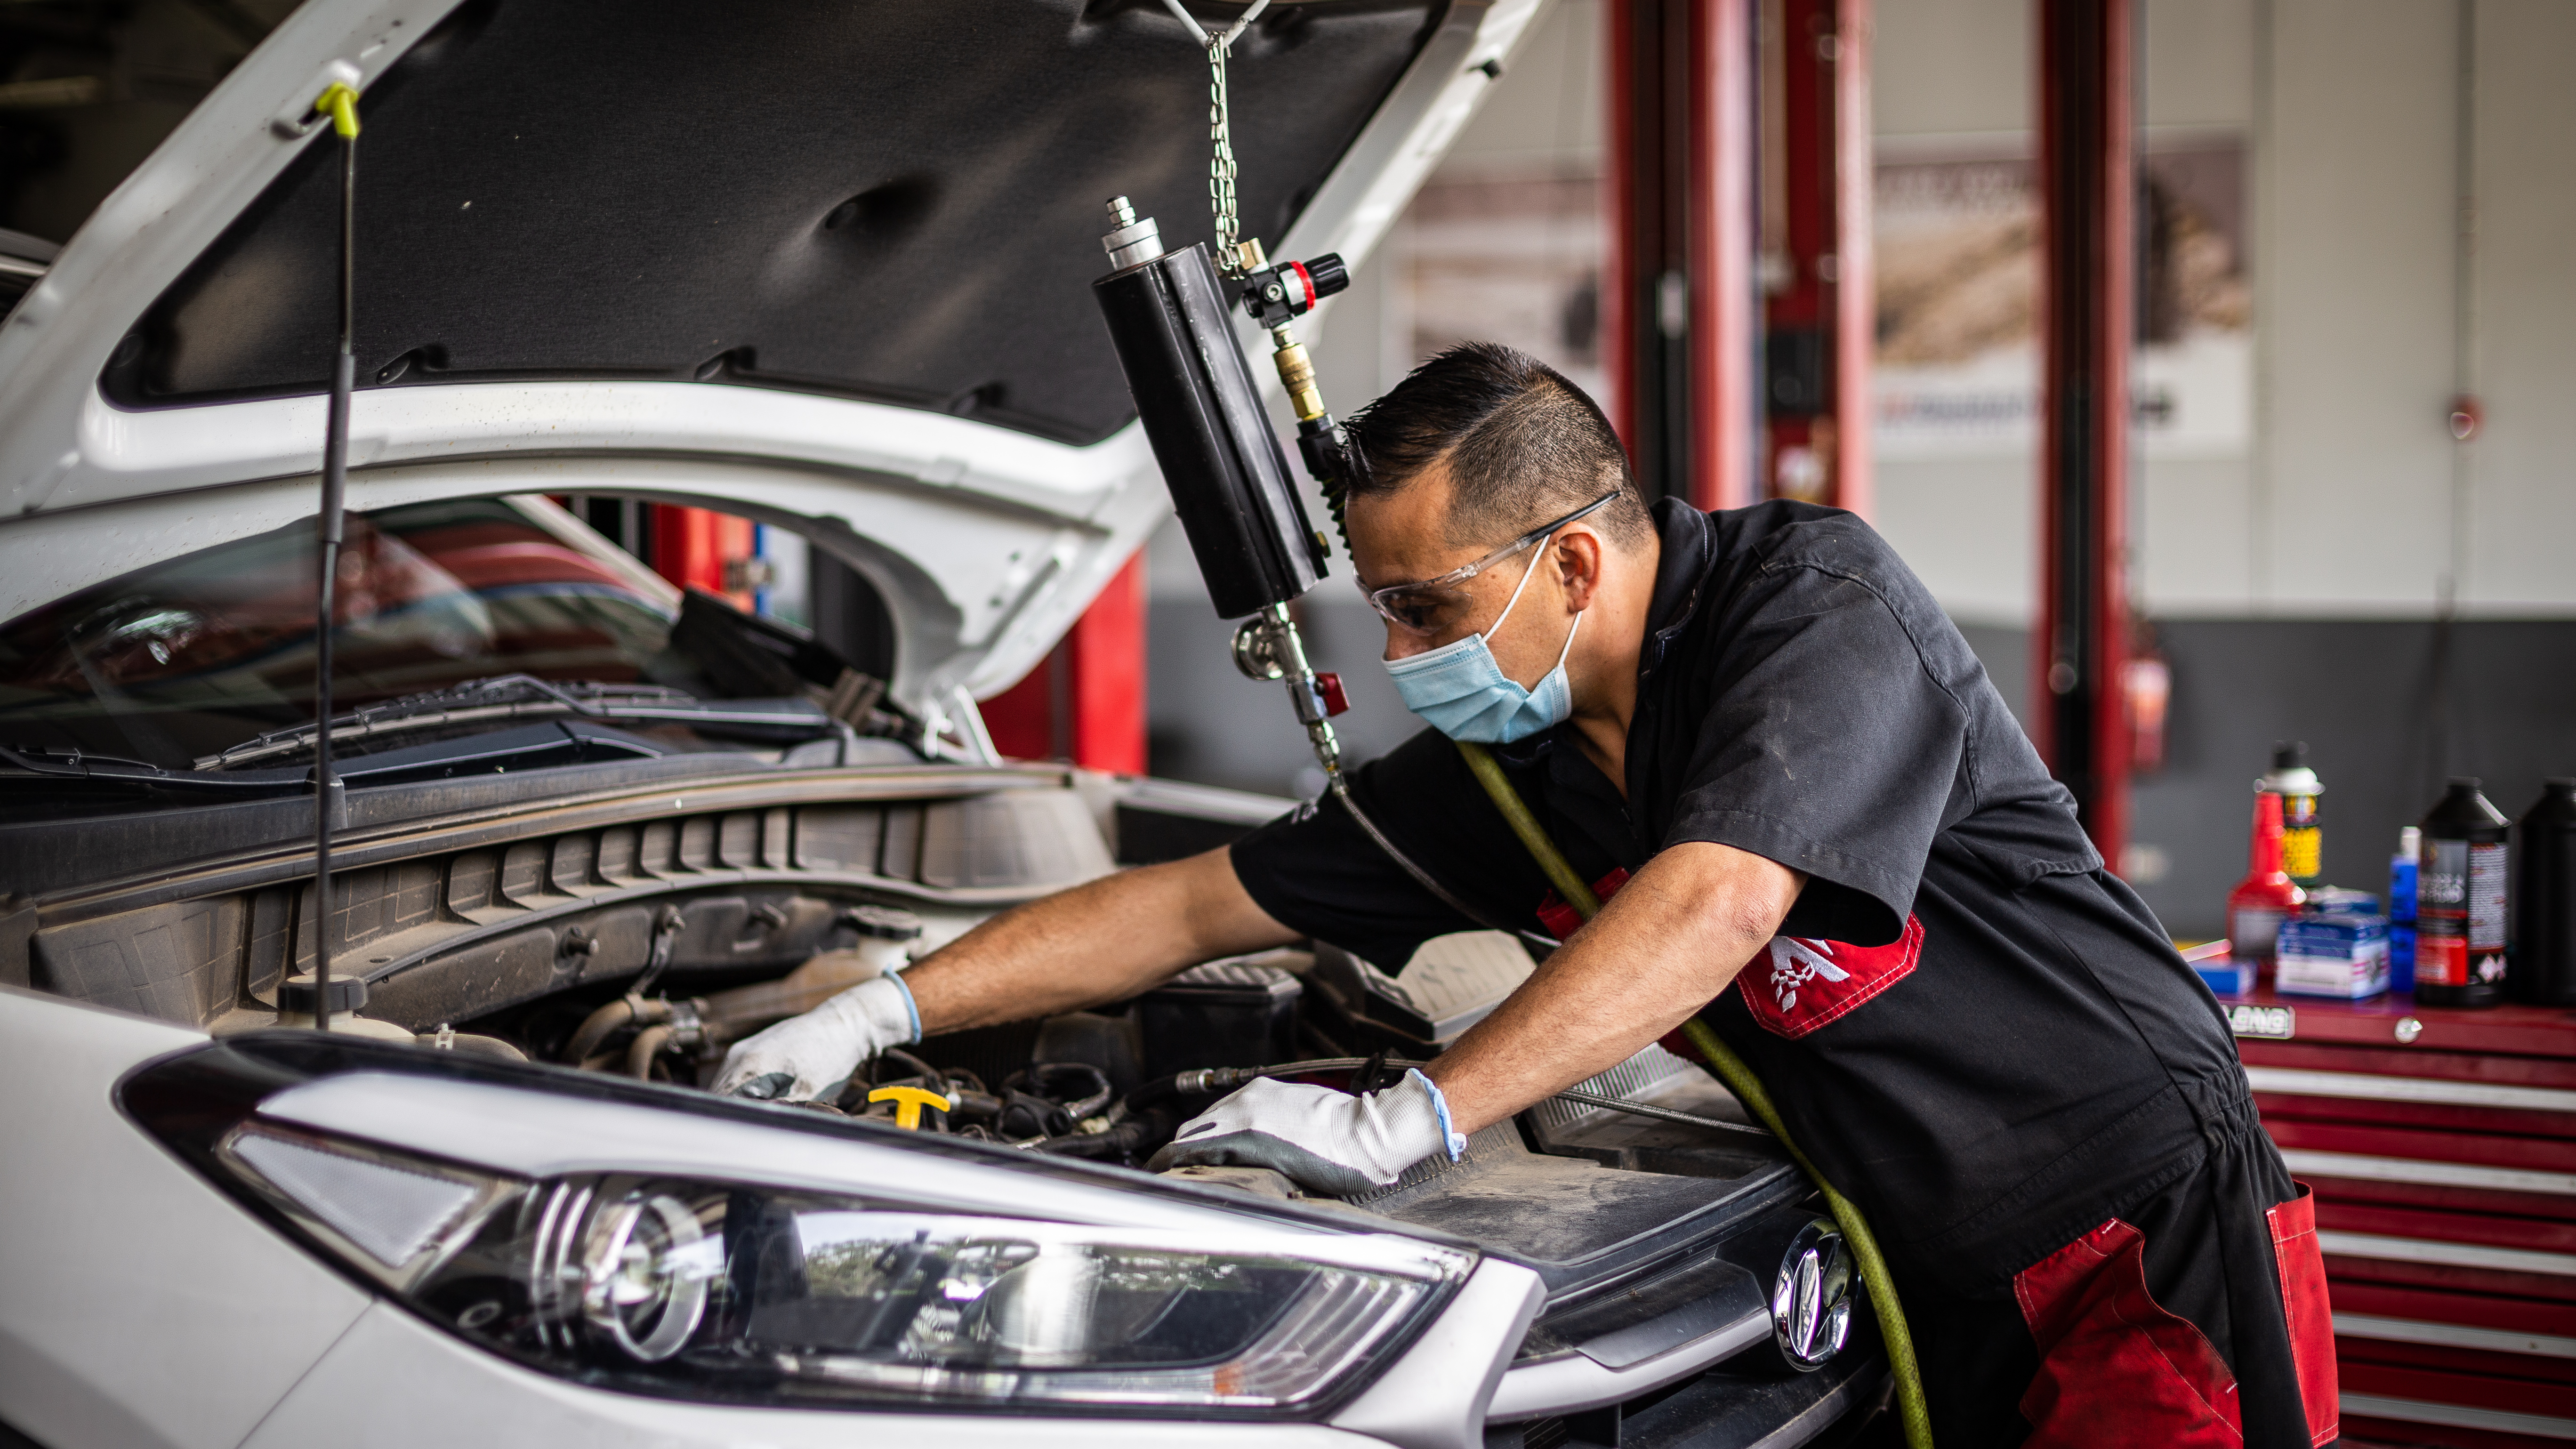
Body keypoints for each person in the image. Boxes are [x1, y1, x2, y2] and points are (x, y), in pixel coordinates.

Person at [717, 343, 2336, 1447]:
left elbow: (1718, 904)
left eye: (1428, 607)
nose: (1405, 655)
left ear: (1570, 564)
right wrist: (887, 1005)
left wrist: (1406, 1117)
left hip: (2134, 1226)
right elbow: (1202, 905)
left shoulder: (1813, 607)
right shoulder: (1532, 768)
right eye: (1388, 610)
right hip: (1914, 1256)